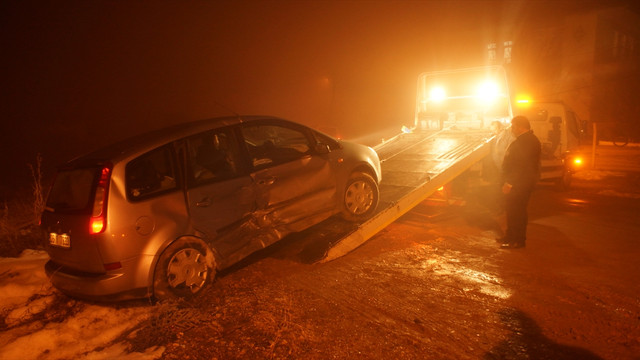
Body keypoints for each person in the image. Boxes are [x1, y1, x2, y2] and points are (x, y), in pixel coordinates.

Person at [499, 116, 541, 249]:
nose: (512, 129)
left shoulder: (528, 141)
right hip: (518, 183)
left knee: (517, 212)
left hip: (519, 184)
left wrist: (510, 183)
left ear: (520, 126)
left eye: (513, 126)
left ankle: (518, 240)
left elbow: (522, 165)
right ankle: (510, 236)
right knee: (512, 211)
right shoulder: (525, 139)